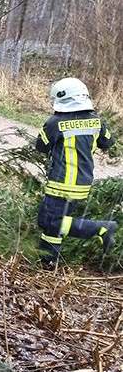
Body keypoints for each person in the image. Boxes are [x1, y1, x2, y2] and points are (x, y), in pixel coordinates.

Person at [34, 78, 116, 269]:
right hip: (83, 183)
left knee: (50, 221)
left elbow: (41, 146)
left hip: (61, 183)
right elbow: (108, 142)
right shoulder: (96, 121)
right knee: (53, 222)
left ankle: (101, 228)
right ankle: (47, 262)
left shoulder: (56, 122)